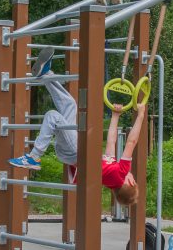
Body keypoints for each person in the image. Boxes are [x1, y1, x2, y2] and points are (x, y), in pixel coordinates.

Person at [8, 47, 141, 206]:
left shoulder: (120, 173)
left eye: (133, 180)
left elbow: (131, 142)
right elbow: (111, 143)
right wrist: (115, 116)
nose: (132, 176)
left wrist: (141, 115)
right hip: (73, 151)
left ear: (130, 182)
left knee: (53, 116)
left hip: (75, 152)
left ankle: (34, 157)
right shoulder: (110, 174)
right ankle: (46, 75)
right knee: (70, 104)